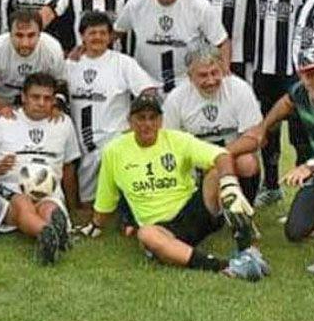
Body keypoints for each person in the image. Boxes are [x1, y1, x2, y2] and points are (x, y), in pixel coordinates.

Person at [83, 92, 269, 281]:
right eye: (141, 118)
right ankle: (226, 266)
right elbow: (106, 199)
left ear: (161, 121)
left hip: (193, 212)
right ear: (130, 122)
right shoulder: (113, 151)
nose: (147, 124)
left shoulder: (178, 140)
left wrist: (230, 184)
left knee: (218, 174)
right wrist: (96, 225)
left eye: (152, 118)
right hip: (161, 228)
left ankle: (248, 249)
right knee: (146, 234)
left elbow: (221, 155)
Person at [245, 47, 314, 277]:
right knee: (296, 231)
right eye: (310, 75)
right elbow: (286, 103)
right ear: (301, 76)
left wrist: (311, 166)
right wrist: (263, 128)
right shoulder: (300, 92)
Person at [0, 73, 80, 264]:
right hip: (10, 189)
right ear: (23, 97)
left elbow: (68, 167)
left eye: (47, 98)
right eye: (35, 97)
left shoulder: (63, 123)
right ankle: (46, 233)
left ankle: (52, 228)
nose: (41, 103)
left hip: (49, 189)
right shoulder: (4, 122)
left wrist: (72, 205)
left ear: (54, 100)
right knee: (23, 204)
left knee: (49, 207)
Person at [65, 11, 159, 214]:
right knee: (88, 203)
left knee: (124, 194)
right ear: (82, 36)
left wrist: (137, 124)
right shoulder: (71, 64)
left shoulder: (123, 63)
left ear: (110, 37)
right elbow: (56, 89)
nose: (97, 37)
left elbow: (148, 91)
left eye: (102, 33)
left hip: (115, 137)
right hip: (82, 142)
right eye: (92, 33)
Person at [252, 0, 312, 207]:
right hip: (265, 67)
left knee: (301, 134)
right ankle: (271, 185)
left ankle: (306, 194)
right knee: (269, 129)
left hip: (297, 69)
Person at [163, 43, 262, 202]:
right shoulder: (176, 98)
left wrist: (218, 157)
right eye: (203, 75)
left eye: (215, 73)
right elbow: (168, 143)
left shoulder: (239, 89)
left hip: (231, 157)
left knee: (247, 162)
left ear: (222, 68)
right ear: (190, 76)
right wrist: (202, 159)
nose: (210, 81)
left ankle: (244, 208)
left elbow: (255, 138)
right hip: (195, 163)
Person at [114, 0, 229, 92]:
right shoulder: (136, 3)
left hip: (187, 84)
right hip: (146, 85)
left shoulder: (199, 5)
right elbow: (116, 32)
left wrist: (223, 76)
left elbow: (222, 43)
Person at [0, 10, 66, 116]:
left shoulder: (53, 49)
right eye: (19, 35)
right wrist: (1, 108)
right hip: (4, 105)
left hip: (42, 105)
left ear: (40, 34)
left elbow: (60, 84)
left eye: (31, 35)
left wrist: (55, 106)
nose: (25, 43)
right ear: (9, 34)